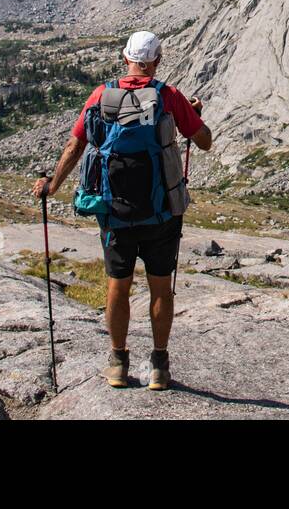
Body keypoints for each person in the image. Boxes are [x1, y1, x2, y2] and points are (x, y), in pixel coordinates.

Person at [33, 30, 211, 391]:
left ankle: (117, 362)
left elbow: (76, 144)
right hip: (161, 213)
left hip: (114, 212)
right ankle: (159, 365)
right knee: (161, 288)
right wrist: (192, 117)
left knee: (118, 286)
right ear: (157, 61)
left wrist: (52, 185)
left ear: (124, 57)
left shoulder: (101, 95)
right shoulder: (168, 96)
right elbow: (204, 141)